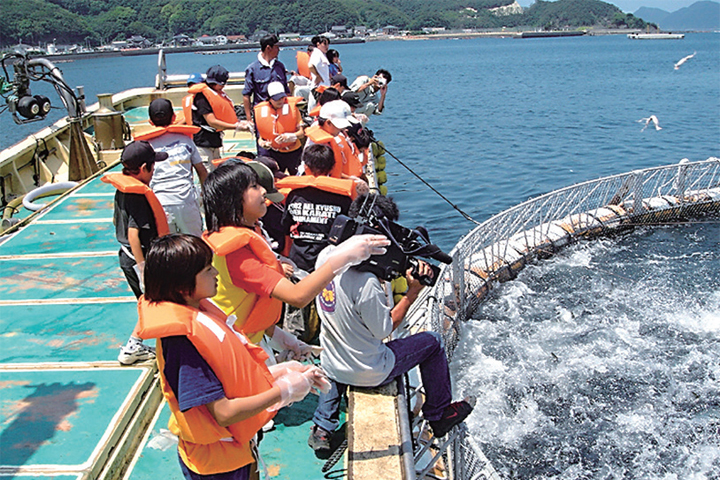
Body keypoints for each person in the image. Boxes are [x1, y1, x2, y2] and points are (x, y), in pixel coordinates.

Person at [136, 233, 329, 480]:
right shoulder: (183, 344)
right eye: (207, 270)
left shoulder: (200, 314)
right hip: (216, 465)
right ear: (183, 286)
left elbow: (229, 380)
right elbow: (223, 412)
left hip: (236, 449)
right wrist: (283, 392)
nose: (216, 274)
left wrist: (281, 373)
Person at [308, 194, 474, 452]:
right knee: (434, 342)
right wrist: (412, 292)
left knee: (333, 354)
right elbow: (384, 330)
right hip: (370, 370)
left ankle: (323, 427)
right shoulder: (367, 284)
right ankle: (439, 414)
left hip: (332, 364)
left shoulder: (326, 258)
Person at [201, 162, 389, 351]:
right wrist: (345, 256)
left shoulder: (245, 233)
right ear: (232, 199)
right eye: (254, 187)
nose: (264, 191)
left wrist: (281, 337)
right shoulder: (237, 254)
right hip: (237, 346)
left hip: (251, 336)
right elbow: (297, 296)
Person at [101, 141, 169, 365]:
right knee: (151, 301)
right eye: (152, 166)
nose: (154, 170)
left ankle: (138, 344)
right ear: (143, 169)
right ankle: (133, 346)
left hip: (126, 257)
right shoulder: (137, 196)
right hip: (138, 258)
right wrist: (143, 268)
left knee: (148, 301)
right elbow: (133, 235)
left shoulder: (124, 189)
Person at [278, 144, 356, 273]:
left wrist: (286, 255)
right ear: (332, 168)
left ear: (306, 168)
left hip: (298, 260)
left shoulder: (294, 195)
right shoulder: (343, 198)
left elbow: (286, 228)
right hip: (330, 262)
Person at [135, 98, 207, 237]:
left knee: (167, 247)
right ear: (174, 117)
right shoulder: (186, 140)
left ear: (150, 121)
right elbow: (202, 172)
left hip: (160, 203)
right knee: (195, 244)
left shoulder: (145, 146)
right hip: (186, 201)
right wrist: (204, 196)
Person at [184, 65, 252, 171]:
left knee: (217, 173)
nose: (223, 87)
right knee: (208, 176)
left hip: (214, 141)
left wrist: (240, 122)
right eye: (221, 84)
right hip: (203, 144)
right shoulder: (202, 98)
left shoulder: (216, 94)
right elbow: (212, 122)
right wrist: (236, 127)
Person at [253, 81, 305, 175]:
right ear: (269, 99)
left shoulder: (293, 109)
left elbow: (301, 133)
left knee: (298, 177)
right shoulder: (262, 111)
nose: (280, 101)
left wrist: (292, 136)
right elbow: (261, 136)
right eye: (277, 99)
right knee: (276, 179)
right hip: (274, 153)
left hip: (293, 153)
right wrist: (262, 143)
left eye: (282, 97)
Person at [304, 100, 363, 180]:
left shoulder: (321, 129)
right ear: (328, 123)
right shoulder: (319, 145)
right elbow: (322, 173)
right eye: (338, 125)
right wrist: (349, 178)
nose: (341, 129)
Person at [243, 34, 290, 124]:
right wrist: (249, 119)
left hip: (281, 114)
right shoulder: (253, 69)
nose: (278, 50)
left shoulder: (280, 66)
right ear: (268, 48)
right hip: (262, 114)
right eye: (276, 47)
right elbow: (246, 95)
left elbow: (286, 91)